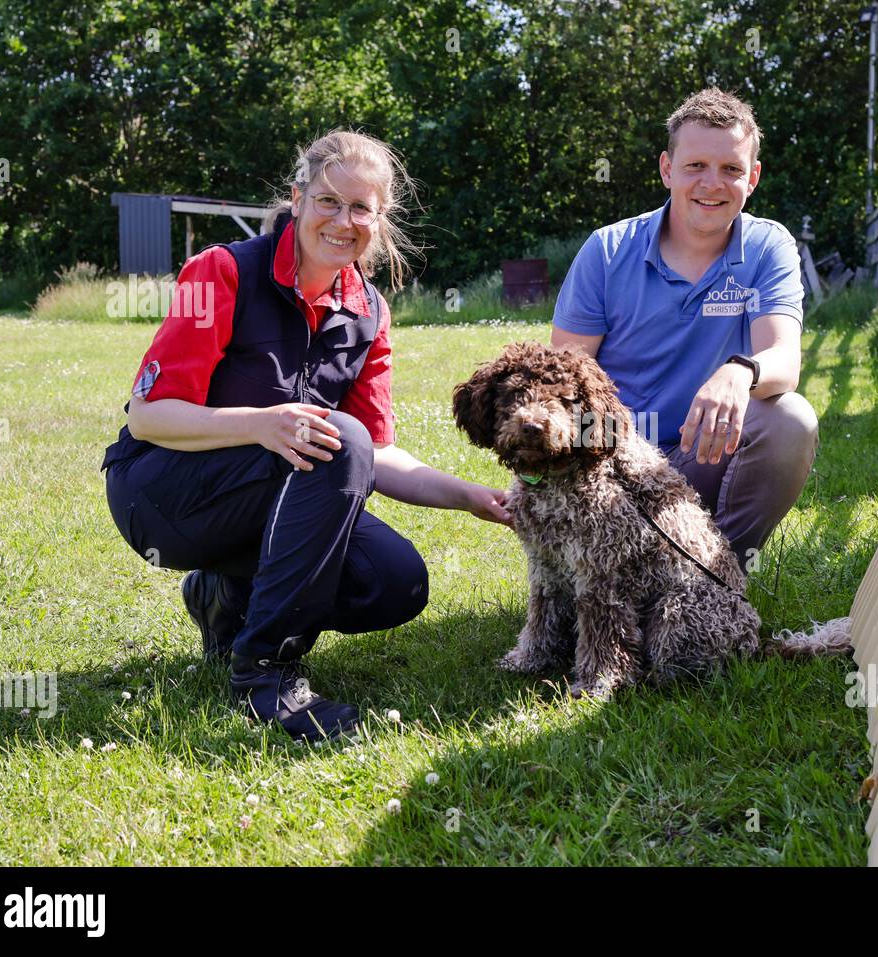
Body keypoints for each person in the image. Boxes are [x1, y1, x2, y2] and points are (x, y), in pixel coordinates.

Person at [100, 130, 510, 741]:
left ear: (380, 219)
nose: (344, 221)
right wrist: (264, 424)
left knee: (396, 582)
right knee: (338, 438)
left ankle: (226, 600)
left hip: (263, 498)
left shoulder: (369, 310)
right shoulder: (223, 272)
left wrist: (472, 496)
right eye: (328, 202)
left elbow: (378, 451)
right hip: (162, 493)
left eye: (361, 208)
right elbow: (150, 415)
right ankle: (266, 675)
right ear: (297, 199)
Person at [551, 88, 819, 569]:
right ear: (666, 169)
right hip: (619, 457)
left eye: (731, 169)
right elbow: (564, 382)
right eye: (695, 166)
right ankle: (628, 567)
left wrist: (739, 371)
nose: (712, 184)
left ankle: (715, 575)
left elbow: (784, 358)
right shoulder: (607, 251)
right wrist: (604, 465)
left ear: (752, 177)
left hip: (707, 450)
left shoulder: (767, 246)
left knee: (789, 420)